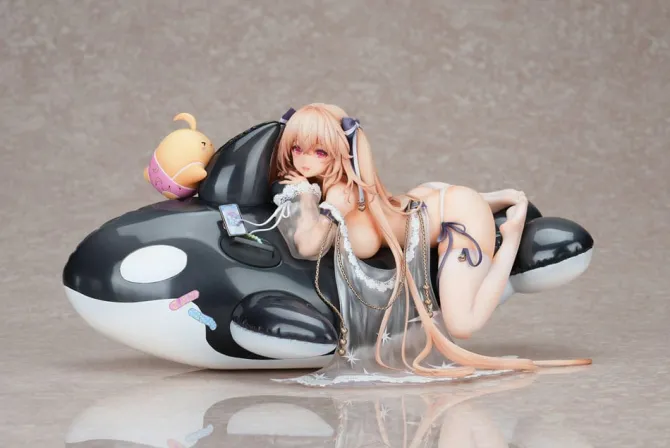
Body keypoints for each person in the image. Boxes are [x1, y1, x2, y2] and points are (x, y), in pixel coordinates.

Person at [262, 102, 590, 386]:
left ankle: (512, 234)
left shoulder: (341, 193)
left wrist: (306, 197)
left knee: (463, 325)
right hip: (421, 202)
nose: (304, 161)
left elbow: (308, 246)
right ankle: (497, 198)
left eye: (319, 152)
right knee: (423, 205)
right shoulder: (328, 184)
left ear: (339, 152)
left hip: (456, 216)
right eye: (297, 149)